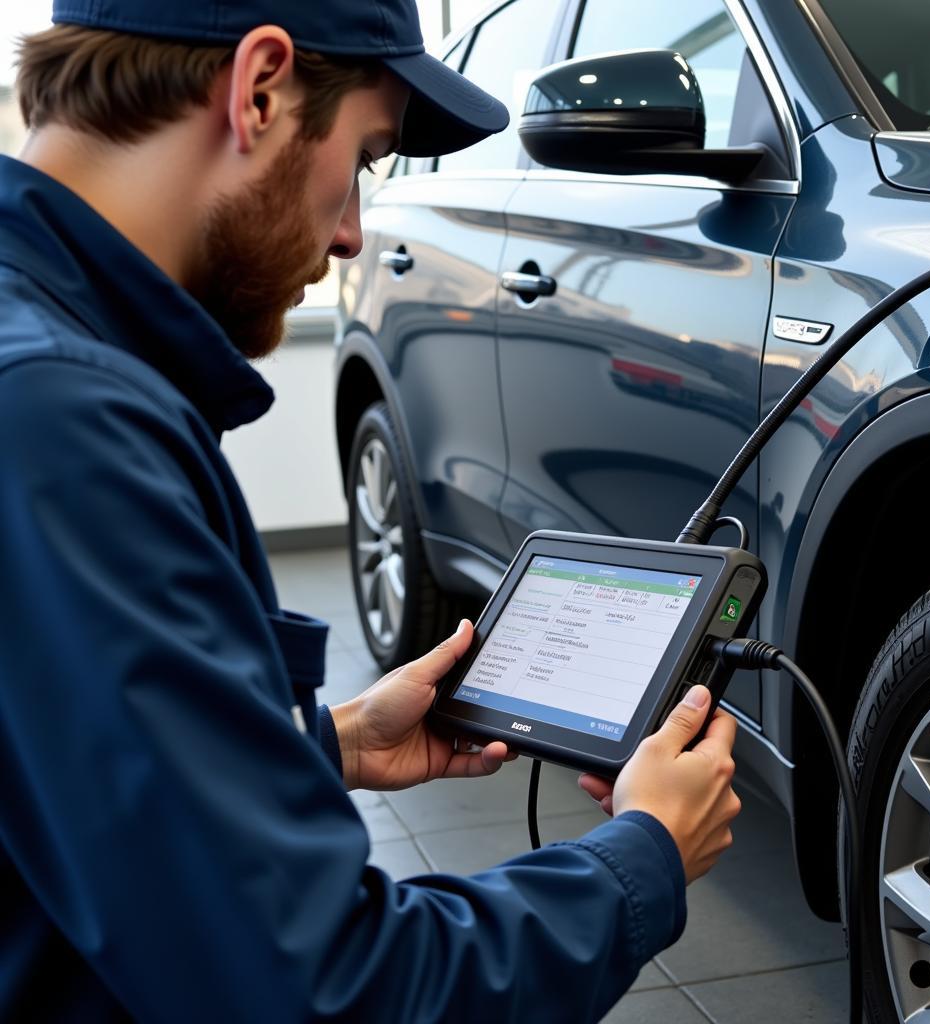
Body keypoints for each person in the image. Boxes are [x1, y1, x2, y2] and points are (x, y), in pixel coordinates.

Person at [0, 1, 742, 1020]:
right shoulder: (64, 425)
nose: (352, 231)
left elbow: (67, 780)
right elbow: (325, 990)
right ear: (260, 88)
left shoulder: (38, 365)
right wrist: (644, 855)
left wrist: (322, 742)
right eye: (366, 154)